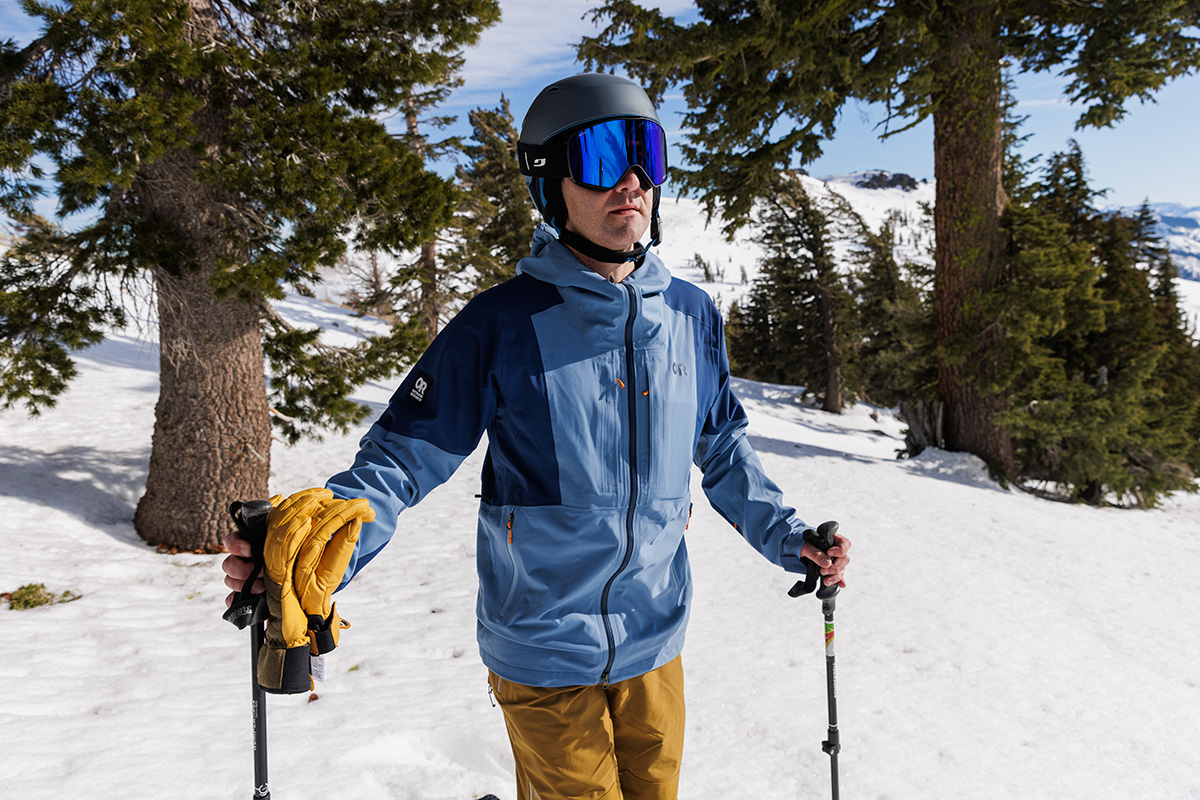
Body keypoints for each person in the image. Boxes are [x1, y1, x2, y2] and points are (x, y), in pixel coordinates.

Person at [222, 73, 851, 800]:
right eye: (605, 155)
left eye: (646, 151)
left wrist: (788, 536)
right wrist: (317, 549)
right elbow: (400, 459)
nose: (634, 181)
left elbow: (723, 448)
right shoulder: (503, 325)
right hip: (544, 647)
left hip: (655, 640)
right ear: (552, 182)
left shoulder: (690, 315)